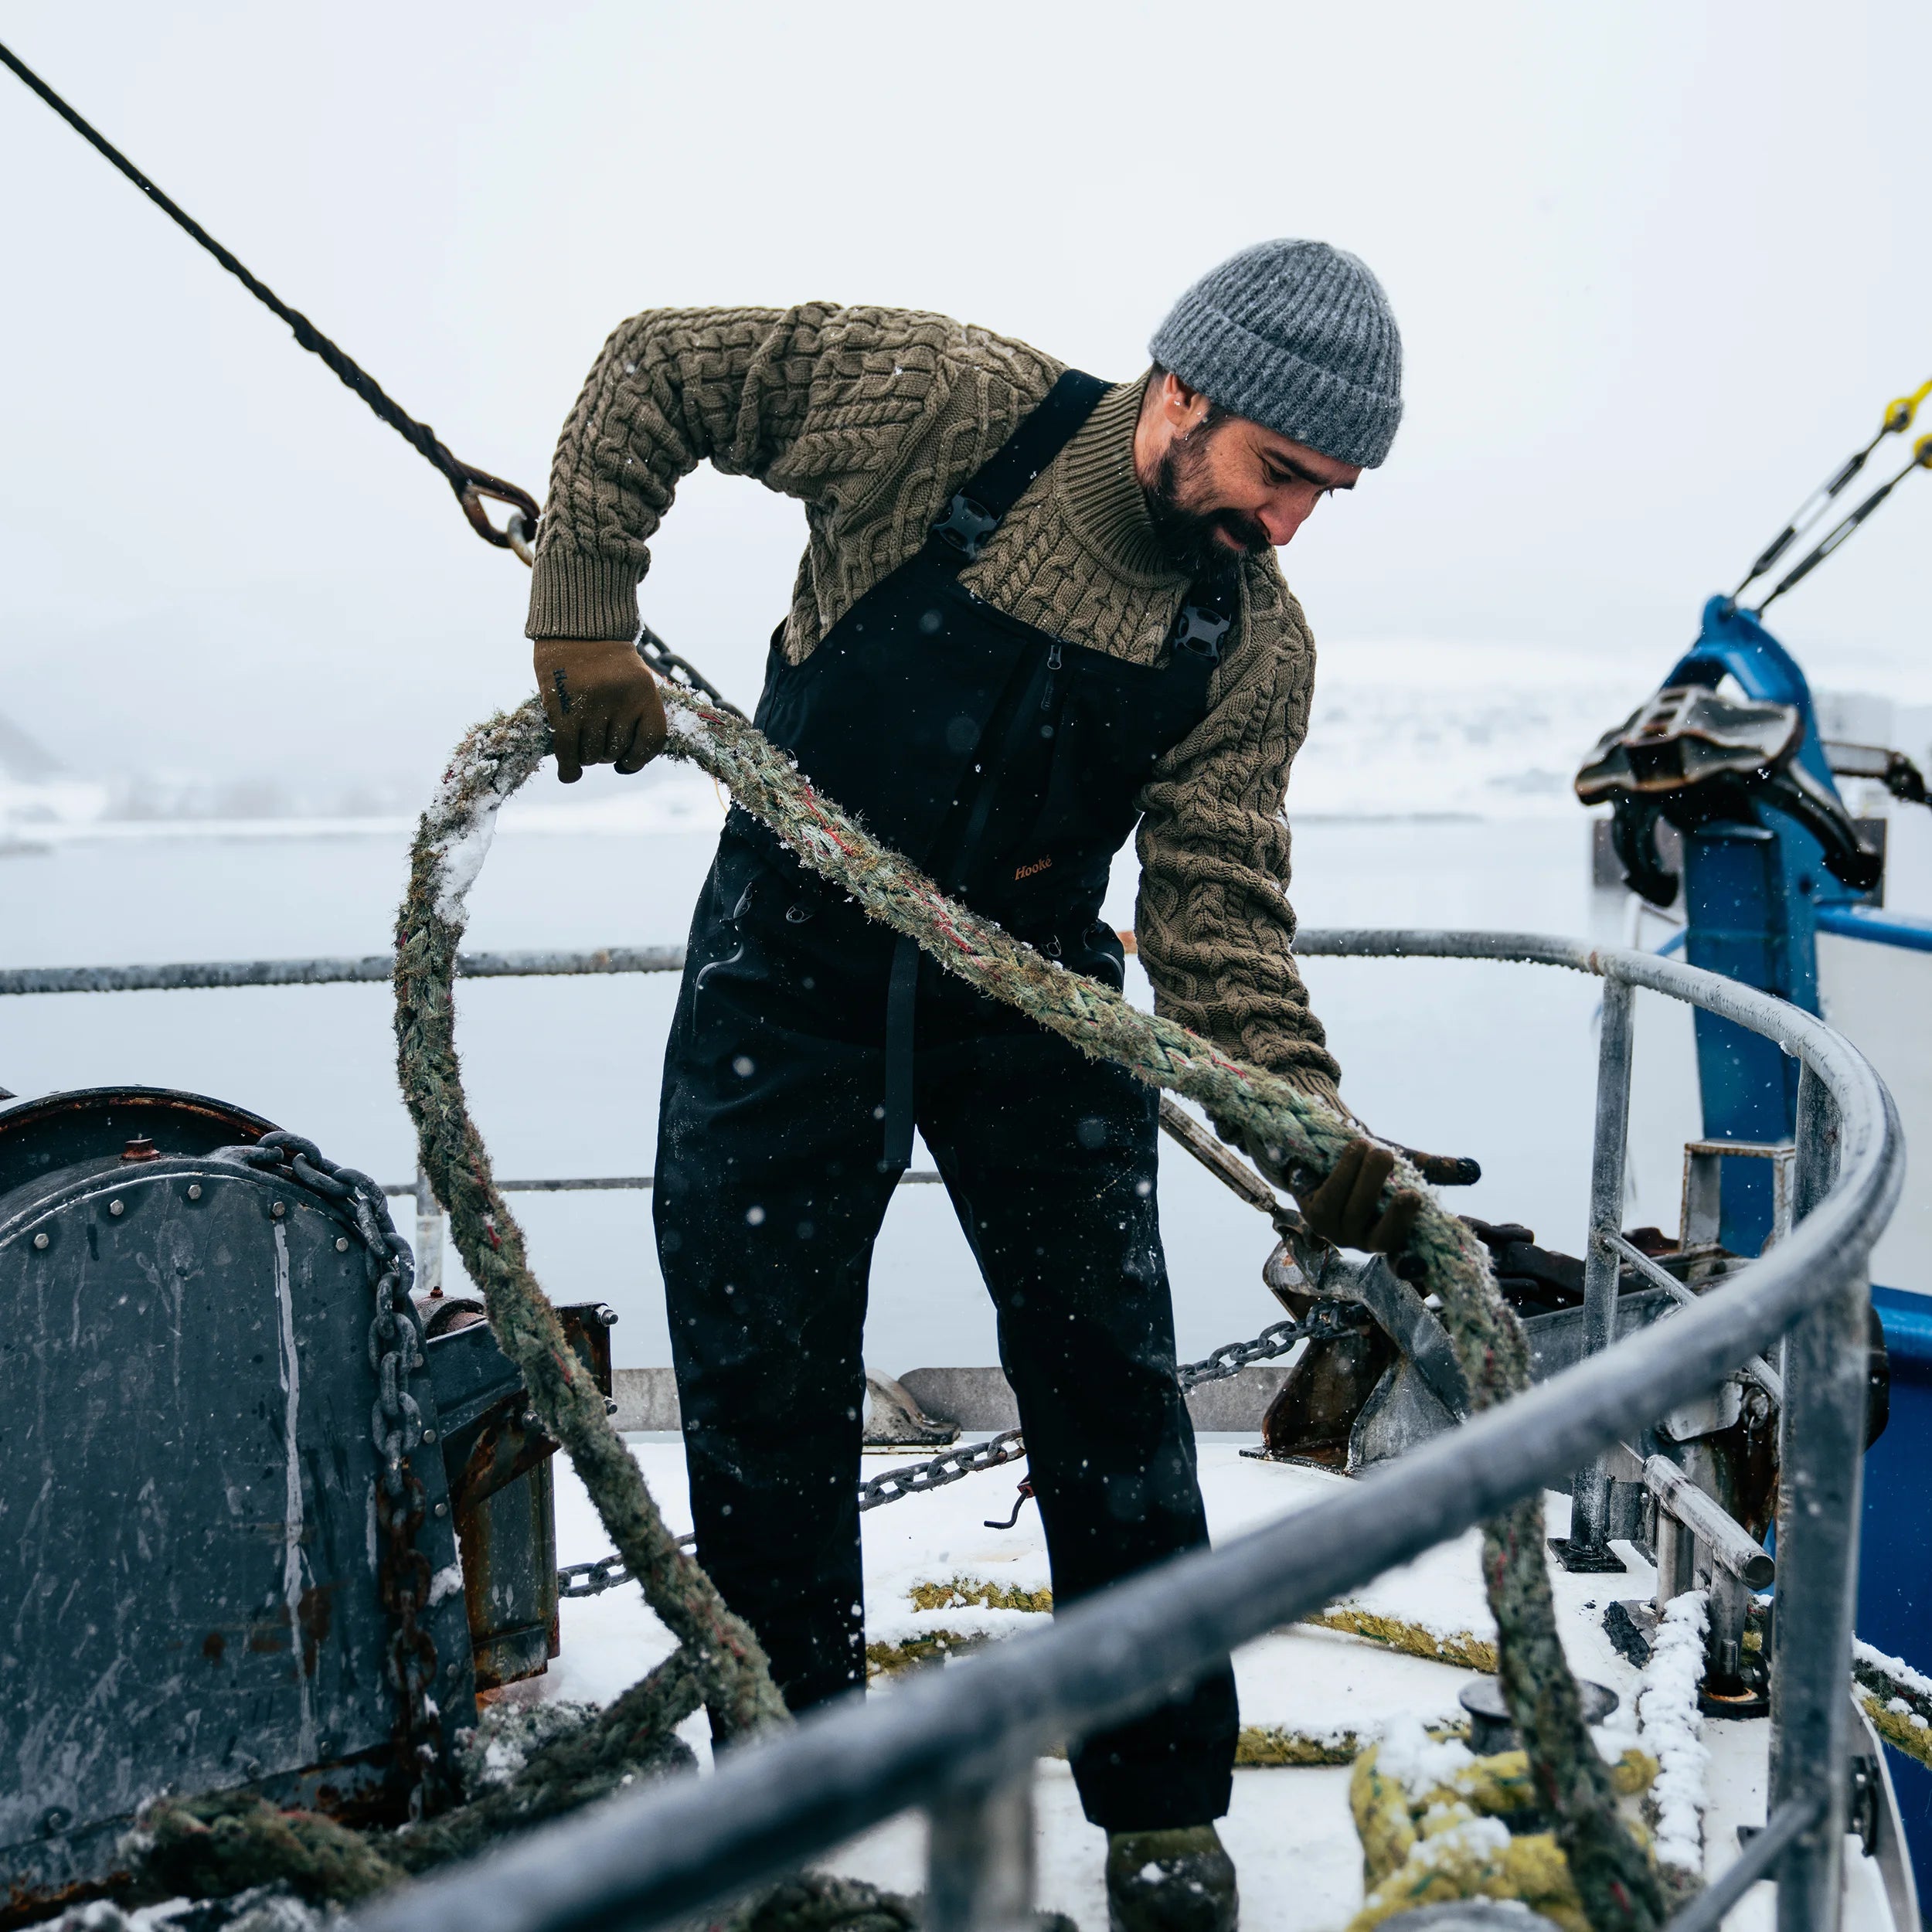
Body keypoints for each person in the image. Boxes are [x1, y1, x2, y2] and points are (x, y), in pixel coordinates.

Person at [528, 240, 1425, 1932]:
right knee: (763, 1396)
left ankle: (1163, 1809)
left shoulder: (1244, 642)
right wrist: (579, 609)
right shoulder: (935, 407)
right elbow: (657, 365)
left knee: (1112, 1397)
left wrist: (1304, 1119)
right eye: (1278, 474)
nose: (1290, 522)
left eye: (1327, 494)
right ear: (1184, 394)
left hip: (1031, 1004)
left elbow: (1218, 920)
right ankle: (786, 1822)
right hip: (783, 975)